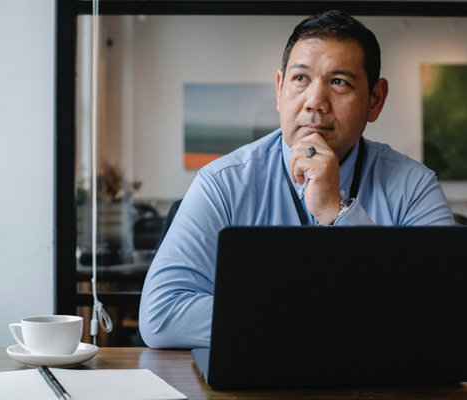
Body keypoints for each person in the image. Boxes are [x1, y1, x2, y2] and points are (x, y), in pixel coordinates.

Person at [139, 10, 455, 349]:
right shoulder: (223, 183)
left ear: (375, 100)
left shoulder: (414, 187)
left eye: (339, 82)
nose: (315, 103)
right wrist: (319, 317)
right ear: (280, 88)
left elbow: (448, 314)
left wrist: (338, 211)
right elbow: (161, 314)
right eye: (301, 79)